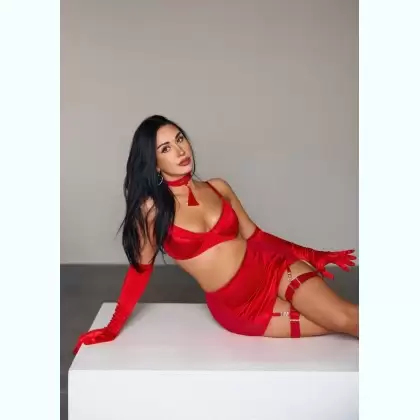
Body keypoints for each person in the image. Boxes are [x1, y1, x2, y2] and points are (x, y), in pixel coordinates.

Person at [73, 115, 357, 355]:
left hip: (274, 268)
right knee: (337, 323)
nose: (180, 151)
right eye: (166, 148)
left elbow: (256, 237)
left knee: (348, 317)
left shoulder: (218, 188)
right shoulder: (152, 211)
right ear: (155, 163)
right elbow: (140, 270)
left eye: (180, 139)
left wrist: (312, 255)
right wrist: (113, 327)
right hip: (242, 308)